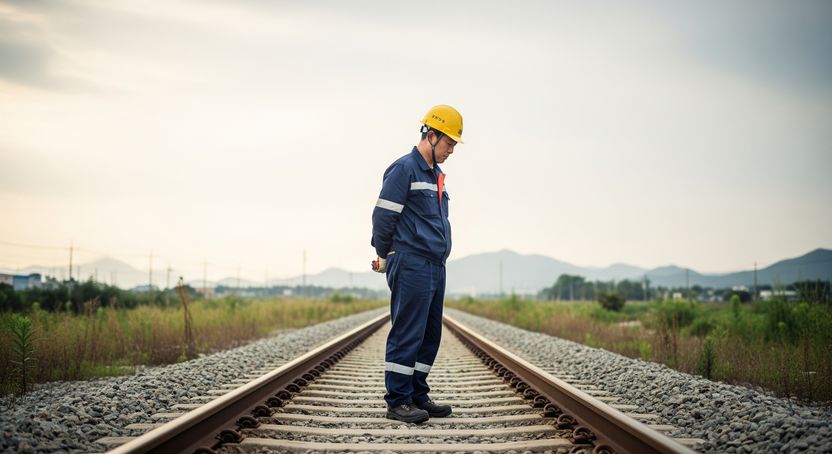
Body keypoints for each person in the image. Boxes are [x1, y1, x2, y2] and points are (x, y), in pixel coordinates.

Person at [370, 104, 463, 423]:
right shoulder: (404, 168)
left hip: (435, 265)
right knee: (408, 331)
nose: (451, 150)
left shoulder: (436, 175)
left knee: (429, 334)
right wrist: (386, 254)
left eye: (453, 144)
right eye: (449, 142)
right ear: (431, 135)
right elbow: (383, 217)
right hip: (410, 262)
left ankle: (417, 395)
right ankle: (398, 400)